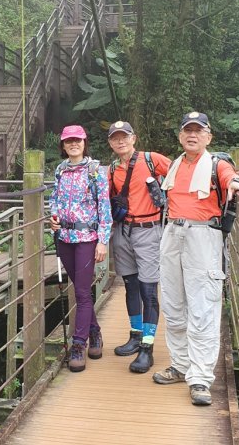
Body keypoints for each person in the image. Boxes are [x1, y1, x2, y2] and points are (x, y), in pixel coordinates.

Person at [152, 111, 239, 406]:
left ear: (208, 136)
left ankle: (201, 377)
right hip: (173, 233)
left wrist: (236, 185)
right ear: (180, 136)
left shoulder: (218, 163)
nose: (192, 135)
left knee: (203, 307)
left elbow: (230, 177)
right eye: (187, 131)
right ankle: (181, 365)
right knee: (173, 303)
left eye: (198, 131)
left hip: (203, 237)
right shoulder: (176, 165)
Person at [107, 121, 171, 373]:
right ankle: (135, 335)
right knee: (130, 285)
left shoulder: (152, 159)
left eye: (125, 137)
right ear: (111, 143)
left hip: (148, 230)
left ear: (134, 138)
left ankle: (147, 347)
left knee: (148, 290)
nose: (120, 141)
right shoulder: (112, 169)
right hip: (123, 231)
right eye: (115, 138)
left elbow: (181, 172)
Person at [50, 125, 112, 373]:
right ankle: (95, 332)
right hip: (63, 235)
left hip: (87, 237)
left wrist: (103, 240)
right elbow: (55, 198)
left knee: (83, 293)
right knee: (80, 288)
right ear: (63, 145)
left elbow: (104, 207)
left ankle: (79, 344)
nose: (73, 144)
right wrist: (52, 216)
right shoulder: (60, 169)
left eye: (77, 140)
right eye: (69, 141)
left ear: (84, 142)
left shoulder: (95, 170)